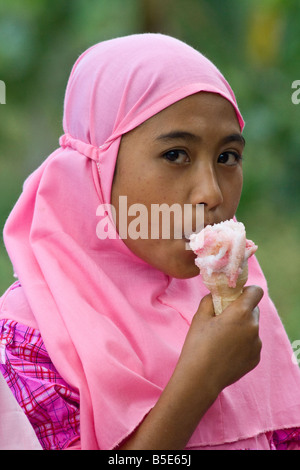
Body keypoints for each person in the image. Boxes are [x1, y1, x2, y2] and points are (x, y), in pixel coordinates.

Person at [1, 33, 300, 450]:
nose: (211, 194)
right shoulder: (29, 339)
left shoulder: (242, 311)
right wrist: (200, 381)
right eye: (176, 155)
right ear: (97, 170)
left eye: (227, 157)